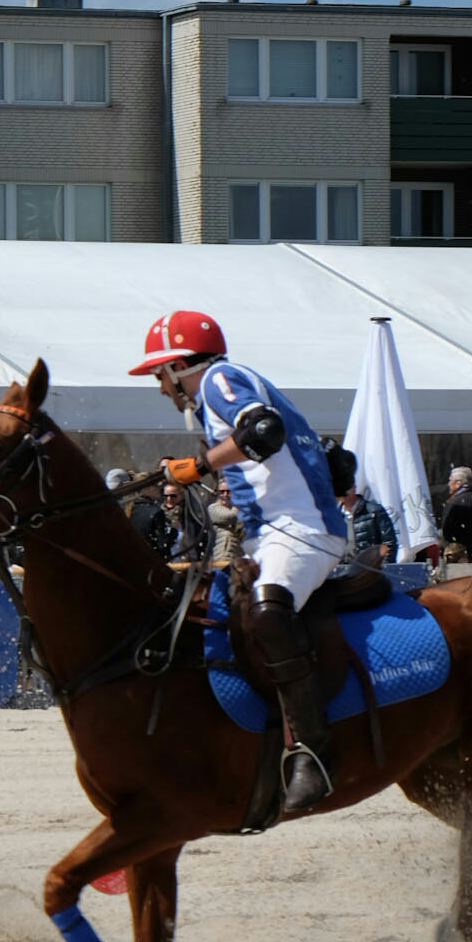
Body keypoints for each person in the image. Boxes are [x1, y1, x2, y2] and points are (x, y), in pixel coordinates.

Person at [136, 309, 345, 820]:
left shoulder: (218, 380)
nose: (161, 388)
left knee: (269, 612)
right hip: (266, 535)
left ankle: (313, 754)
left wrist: (202, 463)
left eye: (160, 375)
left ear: (180, 366)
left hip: (301, 528)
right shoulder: (216, 392)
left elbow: (264, 431)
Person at [336, 478, 398, 559]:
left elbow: (389, 543)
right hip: (345, 569)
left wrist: (382, 568)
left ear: (354, 487)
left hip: (371, 568)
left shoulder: (374, 510)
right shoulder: (335, 516)